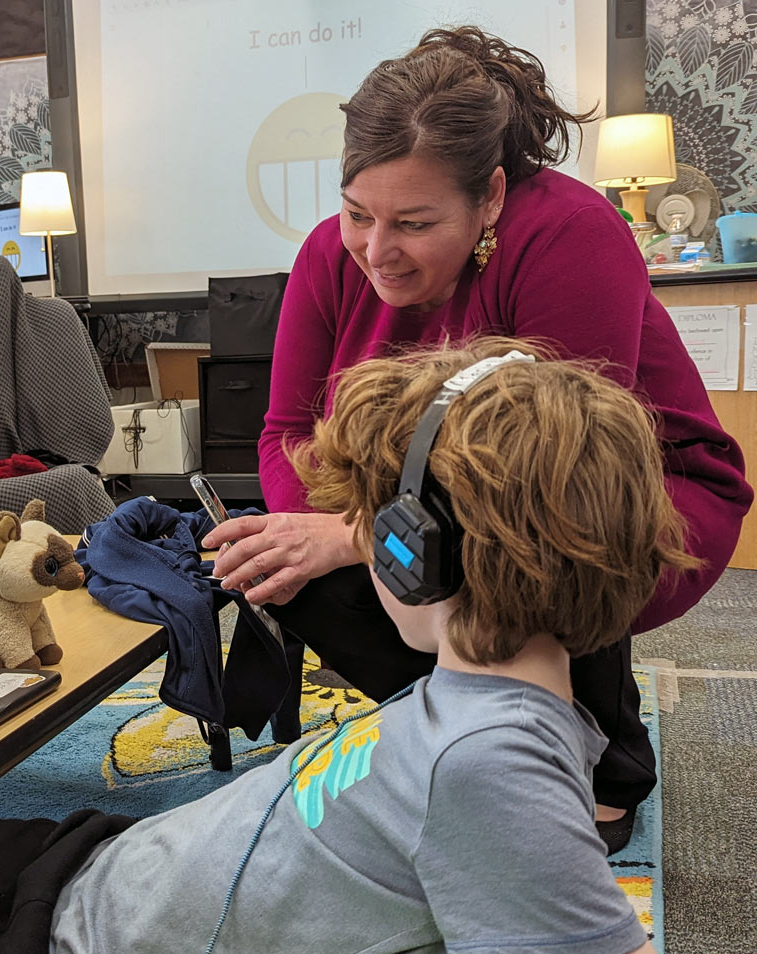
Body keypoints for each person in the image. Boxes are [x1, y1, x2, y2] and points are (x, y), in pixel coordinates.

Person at [0, 340, 687, 954]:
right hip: (105, 868)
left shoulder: (491, 766)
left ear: (415, 555)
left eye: (372, 517)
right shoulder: (507, 706)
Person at [204, 25, 753, 851]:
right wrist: (307, 536)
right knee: (289, 568)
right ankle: (468, 725)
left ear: (490, 196)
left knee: (526, 559)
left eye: (415, 223)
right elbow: (286, 432)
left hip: (617, 493)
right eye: (358, 214)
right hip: (429, 495)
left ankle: (601, 761)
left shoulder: (568, 233)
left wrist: (357, 533)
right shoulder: (329, 255)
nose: (377, 252)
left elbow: (561, 478)